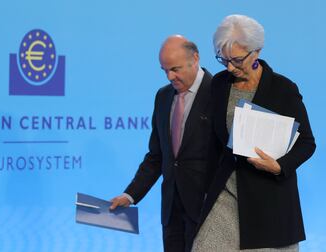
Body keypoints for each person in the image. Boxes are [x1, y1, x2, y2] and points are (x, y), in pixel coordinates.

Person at [192, 15, 316, 251]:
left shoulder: (283, 89)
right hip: (225, 193)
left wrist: (280, 166)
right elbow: (214, 143)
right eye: (223, 59)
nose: (229, 67)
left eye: (236, 60)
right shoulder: (219, 84)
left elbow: (307, 143)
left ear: (256, 52)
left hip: (268, 200)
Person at [110, 35, 215, 252]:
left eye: (175, 69)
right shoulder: (163, 97)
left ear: (195, 58)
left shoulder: (218, 94)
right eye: (164, 70)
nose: (170, 76)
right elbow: (157, 156)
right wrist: (130, 195)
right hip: (171, 212)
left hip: (207, 211)